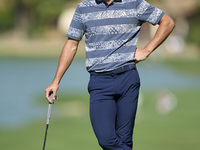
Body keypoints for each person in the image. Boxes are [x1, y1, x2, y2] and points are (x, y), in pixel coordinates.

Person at [45, 0, 175, 149]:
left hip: (128, 79)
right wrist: (56, 80)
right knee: (106, 140)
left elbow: (168, 22)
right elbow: (72, 44)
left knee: (124, 141)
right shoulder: (84, 8)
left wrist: (147, 50)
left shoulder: (135, 4)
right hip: (100, 82)